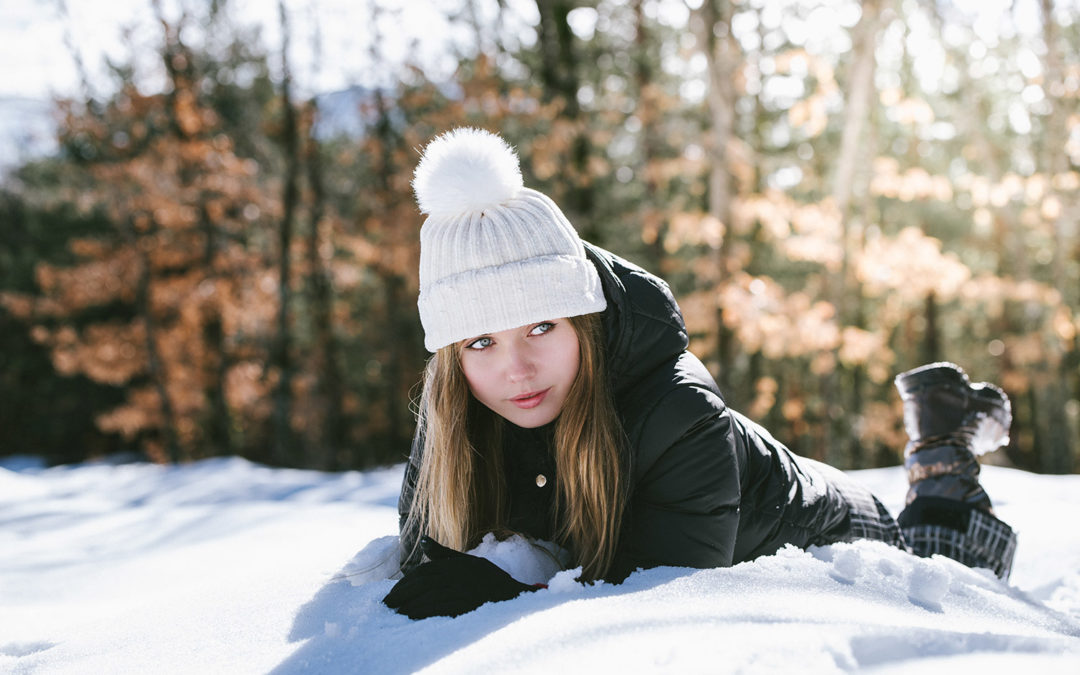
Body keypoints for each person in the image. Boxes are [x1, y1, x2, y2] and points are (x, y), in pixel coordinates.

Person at [382, 127, 1017, 620]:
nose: (514, 369)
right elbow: (421, 559)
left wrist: (509, 597)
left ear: (587, 323)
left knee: (945, 554)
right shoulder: (453, 419)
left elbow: (667, 605)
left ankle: (944, 446)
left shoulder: (677, 413)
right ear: (452, 358)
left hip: (835, 529)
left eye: (542, 327)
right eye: (482, 342)